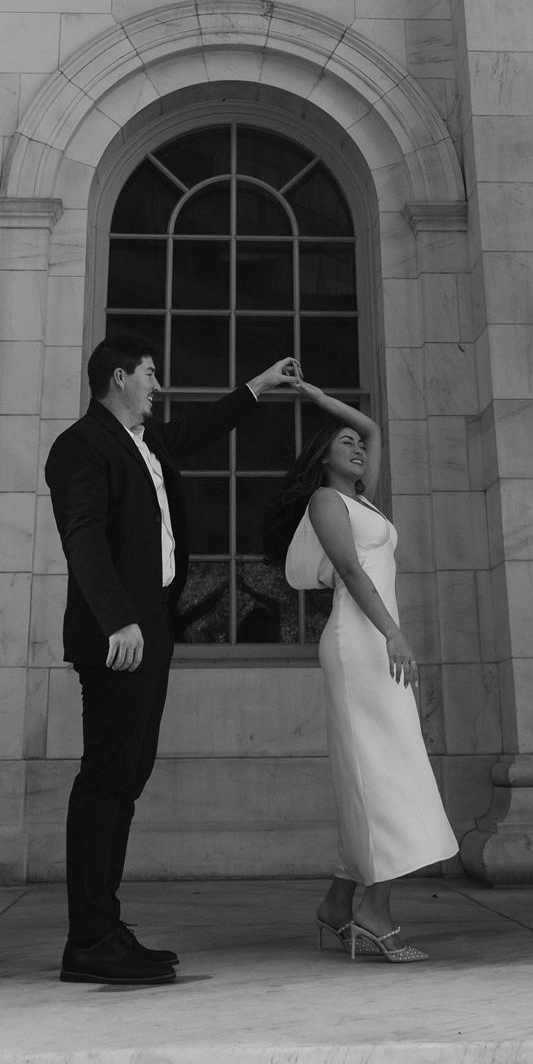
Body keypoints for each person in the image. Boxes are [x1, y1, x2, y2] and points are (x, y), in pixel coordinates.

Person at [45, 333, 300, 985]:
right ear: (120, 377)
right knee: (106, 778)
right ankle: (89, 938)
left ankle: (105, 926)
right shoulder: (80, 446)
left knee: (127, 778)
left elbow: (197, 429)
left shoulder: (147, 442)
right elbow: (82, 538)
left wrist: (259, 386)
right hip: (118, 635)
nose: (157, 386)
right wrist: (116, 620)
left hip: (148, 629)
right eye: (150, 374)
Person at [265, 381, 458, 962]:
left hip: (379, 641)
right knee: (384, 771)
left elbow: (371, 429)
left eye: (357, 444)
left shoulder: (365, 497)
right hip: (360, 641)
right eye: (341, 443)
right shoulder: (328, 502)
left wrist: (312, 394)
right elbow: (348, 569)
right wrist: (394, 632)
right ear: (322, 457)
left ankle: (337, 902)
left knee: (383, 766)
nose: (356, 447)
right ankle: (373, 912)